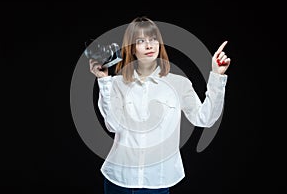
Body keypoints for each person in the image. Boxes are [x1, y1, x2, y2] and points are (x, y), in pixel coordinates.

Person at [89, 16, 231, 194]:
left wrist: (217, 76)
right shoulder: (115, 84)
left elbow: (205, 118)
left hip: (157, 182)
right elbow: (113, 125)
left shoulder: (179, 84)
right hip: (118, 180)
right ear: (132, 48)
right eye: (141, 41)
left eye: (153, 39)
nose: (149, 46)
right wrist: (104, 81)